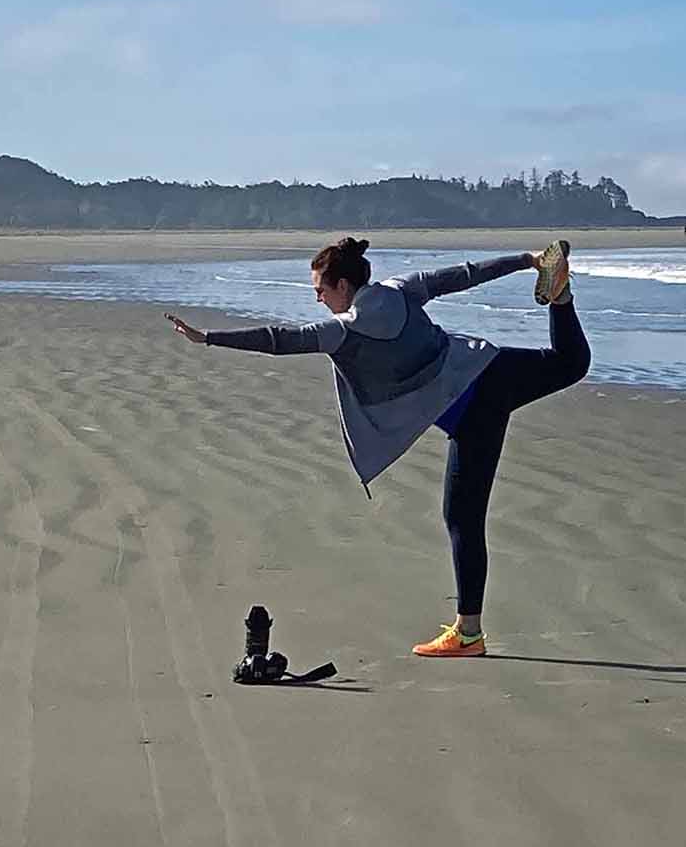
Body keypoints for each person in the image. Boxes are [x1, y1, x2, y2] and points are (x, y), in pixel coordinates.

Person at [166, 237, 589, 658]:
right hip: (488, 373)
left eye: (321, 289)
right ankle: (561, 295)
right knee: (568, 363)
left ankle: (469, 634)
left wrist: (209, 339)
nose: (317, 298)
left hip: (472, 413)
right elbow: (465, 275)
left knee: (462, 518)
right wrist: (527, 260)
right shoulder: (401, 289)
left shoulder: (342, 331)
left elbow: (279, 340)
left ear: (344, 286)